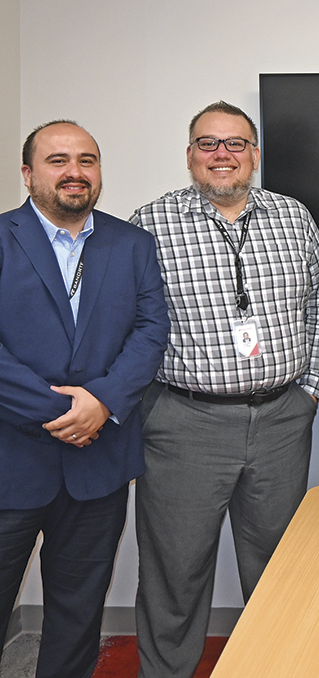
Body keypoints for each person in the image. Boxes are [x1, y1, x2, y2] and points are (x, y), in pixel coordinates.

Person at [130, 101, 319, 677]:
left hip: (281, 422)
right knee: (175, 572)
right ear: (190, 154)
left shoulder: (293, 217)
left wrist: (309, 390)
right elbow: (126, 323)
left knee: (280, 569)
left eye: (235, 143)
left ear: (255, 154)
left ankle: (278, 667)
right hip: (185, 426)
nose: (222, 154)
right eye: (208, 143)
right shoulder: (150, 223)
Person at [0, 121, 169, 678]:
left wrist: (104, 402)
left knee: (78, 613)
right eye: (58, 160)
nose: (75, 172)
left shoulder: (133, 244)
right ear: (28, 174)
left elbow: (150, 332)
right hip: (11, 460)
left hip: (99, 465)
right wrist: (69, 412)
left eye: (87, 160)